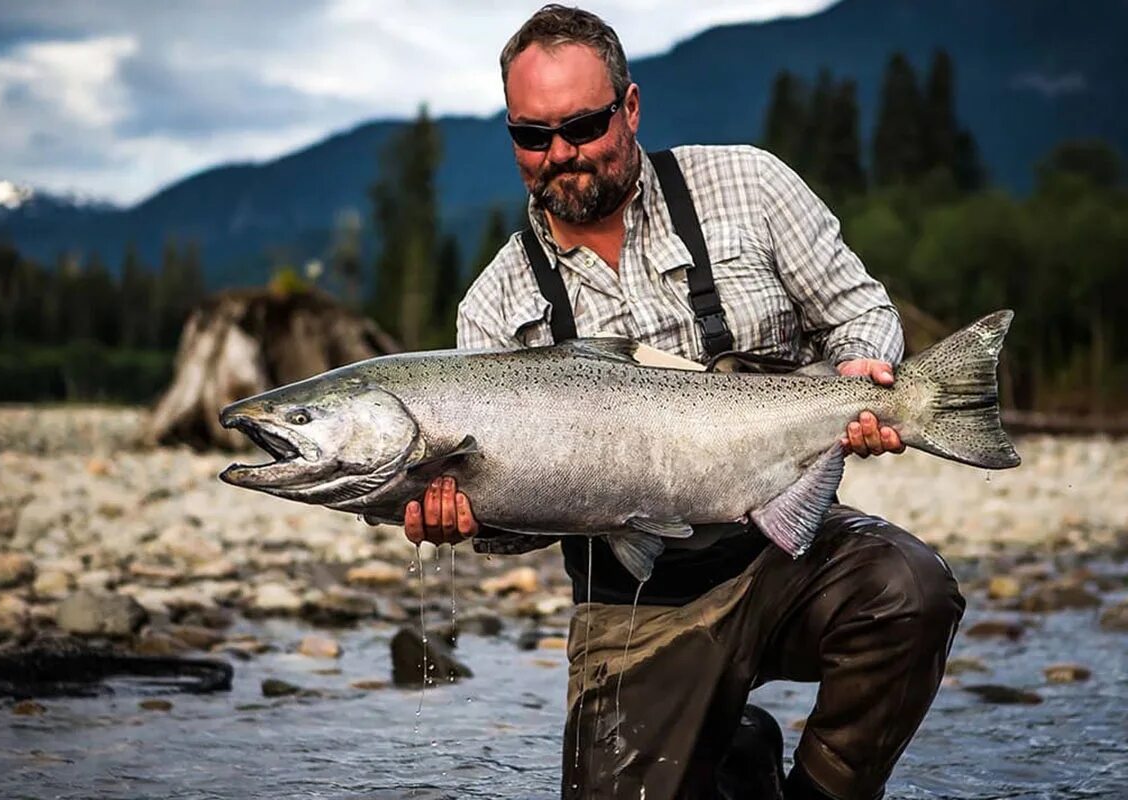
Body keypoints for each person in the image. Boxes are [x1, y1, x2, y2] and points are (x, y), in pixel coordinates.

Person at [404, 6, 964, 799]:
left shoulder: (749, 184)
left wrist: (865, 368)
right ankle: (734, 748)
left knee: (913, 591)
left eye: (584, 125)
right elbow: (512, 531)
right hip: (635, 602)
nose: (560, 154)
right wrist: (468, 520)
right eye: (533, 136)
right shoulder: (492, 311)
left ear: (630, 108)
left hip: (784, 548)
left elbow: (858, 310)